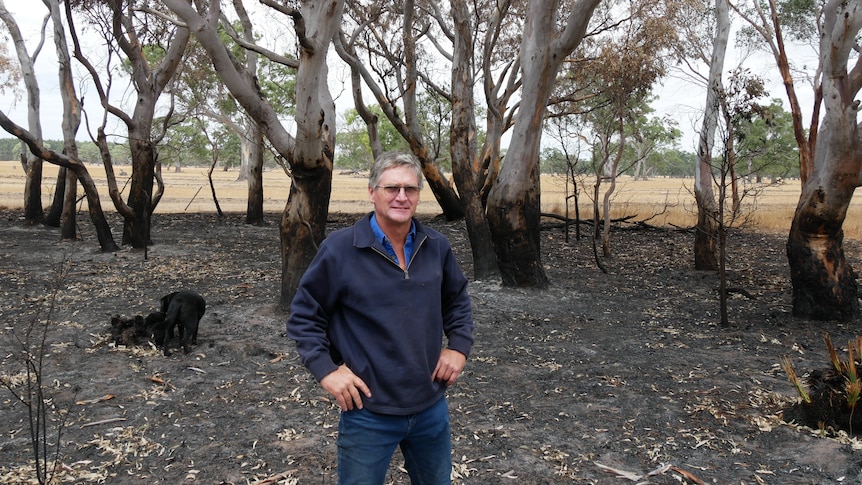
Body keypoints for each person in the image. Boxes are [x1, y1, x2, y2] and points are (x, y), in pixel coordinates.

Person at [287, 151, 475, 484]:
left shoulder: (436, 246)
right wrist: (326, 370)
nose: (402, 197)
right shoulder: (341, 249)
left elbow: (457, 301)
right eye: (391, 188)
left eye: (410, 189)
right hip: (367, 413)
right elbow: (304, 314)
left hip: (430, 407)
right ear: (372, 192)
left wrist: (458, 347)